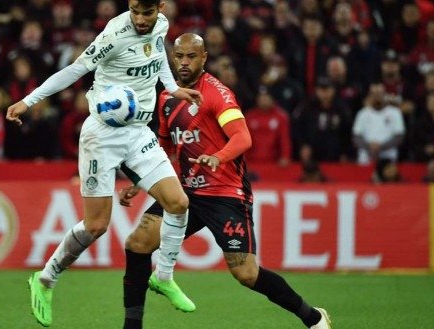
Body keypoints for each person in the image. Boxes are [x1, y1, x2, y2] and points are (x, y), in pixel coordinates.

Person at [6, 0, 202, 327]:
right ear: (129, 6)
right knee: (96, 225)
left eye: (148, 13)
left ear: (160, 8)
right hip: (103, 135)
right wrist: (29, 100)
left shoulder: (162, 25)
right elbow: (75, 69)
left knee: (179, 202)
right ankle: (45, 279)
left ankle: (164, 276)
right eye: (136, 12)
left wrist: (173, 89)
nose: (141, 20)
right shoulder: (114, 34)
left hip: (138, 132)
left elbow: (157, 58)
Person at [120, 33, 331, 329]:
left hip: (225, 193)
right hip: (186, 193)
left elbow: (243, 137)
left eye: (190, 56)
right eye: (178, 56)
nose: (183, 62)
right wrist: (141, 179)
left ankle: (313, 317)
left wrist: (218, 156)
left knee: (246, 273)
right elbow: (165, 146)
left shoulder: (217, 93)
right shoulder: (168, 96)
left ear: (204, 57)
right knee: (138, 243)